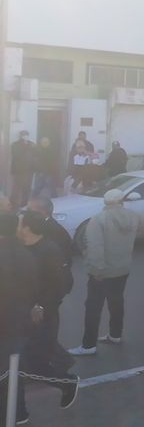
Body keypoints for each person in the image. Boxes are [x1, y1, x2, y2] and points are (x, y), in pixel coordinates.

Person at [69, 189, 144, 356]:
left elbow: (95, 248)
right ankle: (115, 334)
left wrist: (97, 270)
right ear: (121, 201)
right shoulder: (132, 216)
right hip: (122, 269)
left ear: (105, 202)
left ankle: (88, 345)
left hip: (102, 271)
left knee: (93, 307)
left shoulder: (98, 219)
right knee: (116, 302)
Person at [16, 211, 80, 413]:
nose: (16, 226)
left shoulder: (49, 250)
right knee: (27, 358)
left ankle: (66, 382)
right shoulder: (22, 247)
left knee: (35, 361)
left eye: (19, 223)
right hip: (23, 314)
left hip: (42, 316)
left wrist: (42, 306)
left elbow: (61, 285)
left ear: (27, 228)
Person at [0, 213, 40, 425]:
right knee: (14, 367)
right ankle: (19, 411)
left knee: (5, 369)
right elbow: (33, 286)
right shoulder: (25, 253)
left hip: (5, 321)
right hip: (19, 319)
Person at [10, 130, 36, 208]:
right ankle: (13, 203)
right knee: (17, 187)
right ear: (20, 136)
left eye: (26, 135)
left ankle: (24, 203)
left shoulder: (31, 144)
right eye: (24, 135)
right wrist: (26, 146)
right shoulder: (15, 144)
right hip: (19, 170)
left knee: (27, 187)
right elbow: (16, 154)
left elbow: (35, 155)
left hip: (29, 170)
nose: (25, 137)